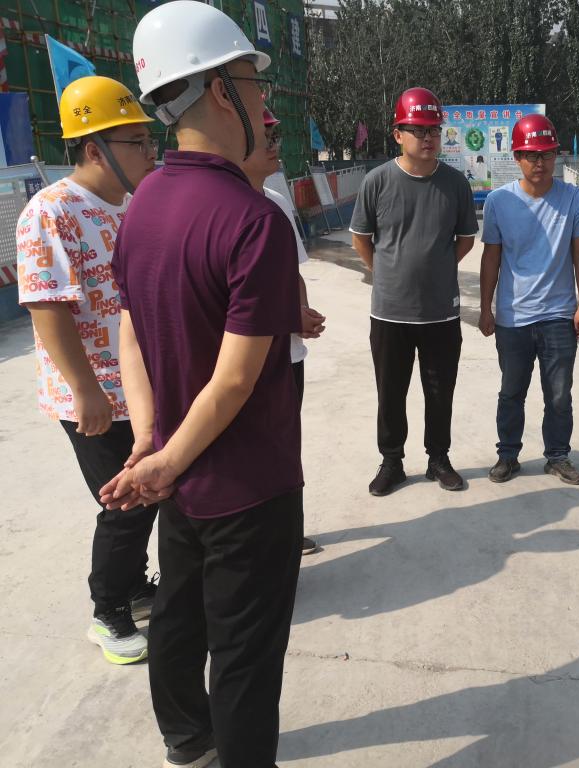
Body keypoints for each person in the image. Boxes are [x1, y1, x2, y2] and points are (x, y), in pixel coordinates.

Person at [101, 2, 304, 765]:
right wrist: (166, 456)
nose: (262, 98)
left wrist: (152, 440)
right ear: (220, 90)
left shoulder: (143, 204)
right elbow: (234, 380)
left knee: (180, 620)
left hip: (181, 480)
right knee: (246, 657)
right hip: (249, 485)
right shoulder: (254, 222)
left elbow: (130, 332)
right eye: (253, 81)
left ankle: (187, 740)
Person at [15, 75, 158, 666]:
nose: (149, 153)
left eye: (148, 141)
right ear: (95, 149)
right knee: (126, 503)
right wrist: (86, 390)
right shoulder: (51, 212)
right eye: (136, 143)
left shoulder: (132, 206)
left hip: (138, 384)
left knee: (150, 491)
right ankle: (108, 612)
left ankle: (134, 586)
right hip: (93, 394)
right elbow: (46, 306)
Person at [350, 87, 478, 496]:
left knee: (440, 391)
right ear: (397, 134)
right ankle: (392, 461)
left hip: (441, 311)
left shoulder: (455, 184)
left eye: (434, 130)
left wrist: (435, 268)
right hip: (389, 312)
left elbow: (465, 239)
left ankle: (438, 459)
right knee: (390, 392)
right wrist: (386, 272)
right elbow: (361, 238)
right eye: (418, 130)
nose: (428, 138)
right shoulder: (377, 181)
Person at [478, 114, 579, 485]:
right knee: (511, 391)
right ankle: (508, 455)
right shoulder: (499, 202)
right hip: (513, 317)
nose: (540, 162)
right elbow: (491, 257)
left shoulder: (573, 200)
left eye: (546, 154)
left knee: (559, 394)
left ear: (556, 155)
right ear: (517, 156)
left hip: (558, 315)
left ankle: (557, 456)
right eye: (531, 155)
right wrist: (485, 308)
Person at [241, 106, 326, 556]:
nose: (276, 146)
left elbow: (292, 272)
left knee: (285, 446)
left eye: (277, 137)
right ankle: (257, 541)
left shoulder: (275, 201)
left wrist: (301, 313)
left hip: (287, 355)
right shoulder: (221, 206)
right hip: (244, 358)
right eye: (266, 137)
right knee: (248, 452)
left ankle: (287, 533)